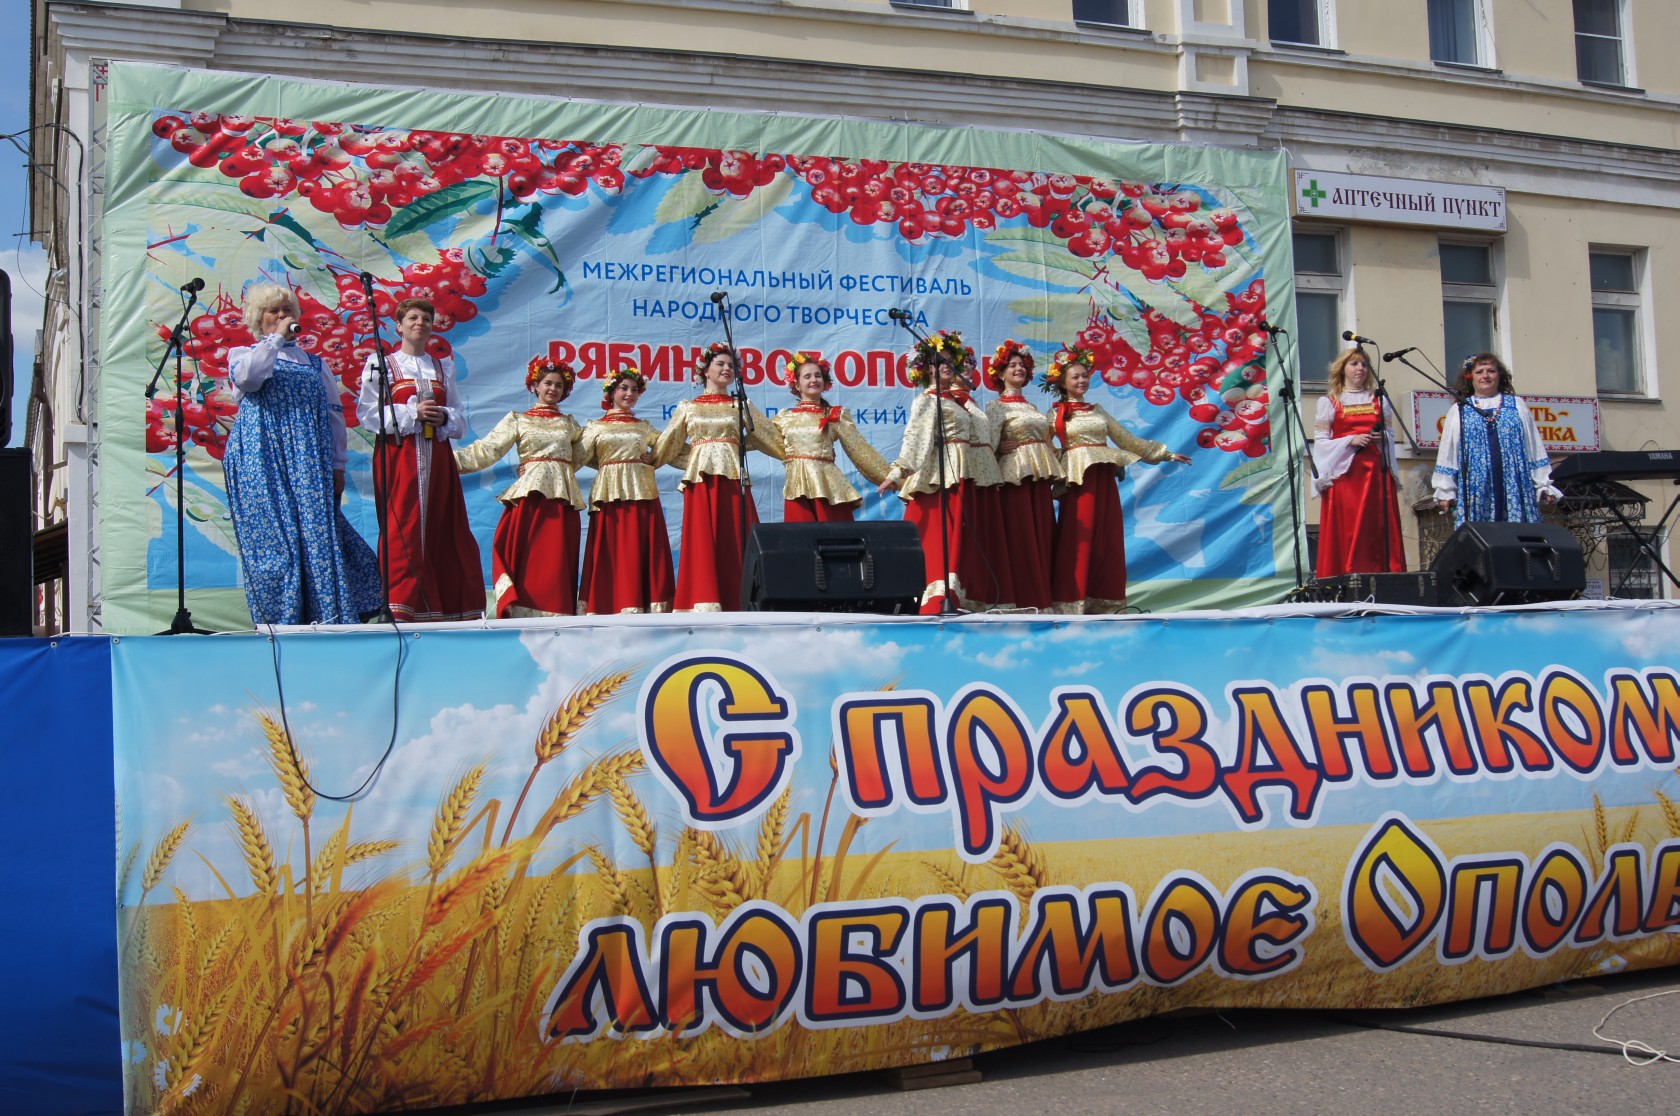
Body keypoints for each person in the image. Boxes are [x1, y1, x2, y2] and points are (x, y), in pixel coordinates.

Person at [224, 283, 382, 625]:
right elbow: (249, 380)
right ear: (258, 319)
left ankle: (327, 616)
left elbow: (333, 415)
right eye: (274, 311)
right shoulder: (243, 355)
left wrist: (338, 466)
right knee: (274, 538)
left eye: (287, 310)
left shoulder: (314, 363)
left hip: (308, 458)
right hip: (260, 456)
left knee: (316, 534)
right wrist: (275, 340)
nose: (283, 316)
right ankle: (278, 620)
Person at [356, 297, 484, 621]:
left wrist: (441, 416)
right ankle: (400, 606)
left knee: (444, 525)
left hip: (437, 457)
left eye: (426, 318)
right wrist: (413, 410)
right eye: (412, 318)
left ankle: (446, 608)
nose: (420, 323)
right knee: (404, 527)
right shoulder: (382, 364)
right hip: (399, 455)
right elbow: (368, 414)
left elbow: (458, 418)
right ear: (398, 326)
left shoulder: (443, 366)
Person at [1043, 346, 1190, 614]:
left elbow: (1125, 439)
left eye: (1085, 376)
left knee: (1106, 539)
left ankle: (1105, 601)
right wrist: (1063, 462)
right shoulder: (1056, 414)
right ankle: (1071, 601)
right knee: (1078, 538)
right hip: (1079, 481)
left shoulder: (1098, 410)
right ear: (1063, 383)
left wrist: (1164, 454)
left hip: (1103, 478)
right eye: (1075, 377)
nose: (1081, 381)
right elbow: (1044, 446)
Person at [453, 355, 586, 618]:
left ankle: (556, 609)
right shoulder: (518, 419)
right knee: (529, 557)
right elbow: (487, 450)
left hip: (561, 500)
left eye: (559, 385)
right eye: (548, 383)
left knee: (556, 559)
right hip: (530, 498)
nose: (552, 389)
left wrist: (552, 467)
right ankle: (521, 609)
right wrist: (445, 460)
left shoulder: (571, 424)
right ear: (535, 385)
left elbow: (586, 455)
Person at [654, 342, 782, 612]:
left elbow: (769, 437)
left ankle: (742, 599)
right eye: (720, 364)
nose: (727, 369)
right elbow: (668, 446)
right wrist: (695, 460)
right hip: (701, 483)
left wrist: (798, 450)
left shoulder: (741, 405)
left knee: (737, 536)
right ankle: (702, 599)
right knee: (702, 539)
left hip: (733, 480)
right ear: (705, 371)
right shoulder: (689, 407)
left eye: (731, 365)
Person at [877, 330, 991, 614]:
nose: (947, 367)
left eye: (951, 362)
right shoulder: (927, 400)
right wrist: (898, 472)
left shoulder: (955, 400)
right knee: (942, 535)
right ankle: (937, 599)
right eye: (940, 362)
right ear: (927, 368)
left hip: (961, 471)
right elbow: (916, 438)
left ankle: (957, 597)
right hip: (942, 476)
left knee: (960, 537)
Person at [578, 365, 676, 615]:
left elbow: (673, 447)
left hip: (642, 493)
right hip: (609, 494)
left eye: (634, 390)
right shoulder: (595, 426)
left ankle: (645, 604)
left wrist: (655, 458)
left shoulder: (644, 427)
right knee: (613, 549)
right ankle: (608, 603)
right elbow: (577, 457)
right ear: (611, 392)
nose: (629, 393)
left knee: (639, 548)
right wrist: (537, 463)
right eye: (623, 388)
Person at [1433, 353, 1560, 526]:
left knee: (1518, 537)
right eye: (1479, 372)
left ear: (1499, 375)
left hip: (1514, 483)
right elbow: (1448, 452)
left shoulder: (1517, 405)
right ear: (1470, 377)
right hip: (1476, 486)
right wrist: (1445, 491)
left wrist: (1543, 484)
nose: (1485, 376)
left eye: (1491, 371)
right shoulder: (1459, 410)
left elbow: (1534, 446)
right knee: (1481, 539)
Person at [1311, 348, 1405, 577]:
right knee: (1350, 528)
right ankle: (1345, 577)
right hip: (1347, 476)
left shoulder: (1378, 400)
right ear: (1342, 369)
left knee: (1376, 527)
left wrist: (1381, 437)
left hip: (1375, 473)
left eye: (1364, 364)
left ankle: (1384, 577)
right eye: (1354, 364)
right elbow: (1321, 441)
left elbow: (1391, 435)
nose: (1360, 369)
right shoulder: (1331, 402)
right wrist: (1349, 440)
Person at [773, 352, 890, 522]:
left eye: (818, 375)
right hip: (798, 488)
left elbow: (859, 449)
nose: (814, 379)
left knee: (835, 542)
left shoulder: (835, 415)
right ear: (797, 385)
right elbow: (763, 437)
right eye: (807, 376)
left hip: (828, 488)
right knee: (800, 541)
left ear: (824, 382)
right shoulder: (785, 418)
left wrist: (887, 476)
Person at [984, 340, 1057, 610]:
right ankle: (1019, 598)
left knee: (1042, 536)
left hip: (1038, 478)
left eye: (1021, 365)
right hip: (1014, 479)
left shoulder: (1035, 409)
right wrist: (999, 447)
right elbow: (988, 445)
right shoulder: (995, 407)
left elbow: (1049, 445)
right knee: (1020, 536)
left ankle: (1043, 597)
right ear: (1000, 374)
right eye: (1011, 365)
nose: (1018, 369)